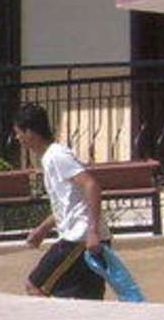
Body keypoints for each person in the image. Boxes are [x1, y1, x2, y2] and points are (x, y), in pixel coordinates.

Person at [14, 103, 107, 299]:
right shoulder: (51, 157)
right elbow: (67, 203)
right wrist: (43, 229)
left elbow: (91, 185)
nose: (18, 138)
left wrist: (92, 232)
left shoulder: (57, 156)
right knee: (82, 299)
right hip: (84, 237)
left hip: (80, 238)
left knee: (35, 285)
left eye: (18, 133)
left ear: (29, 132)